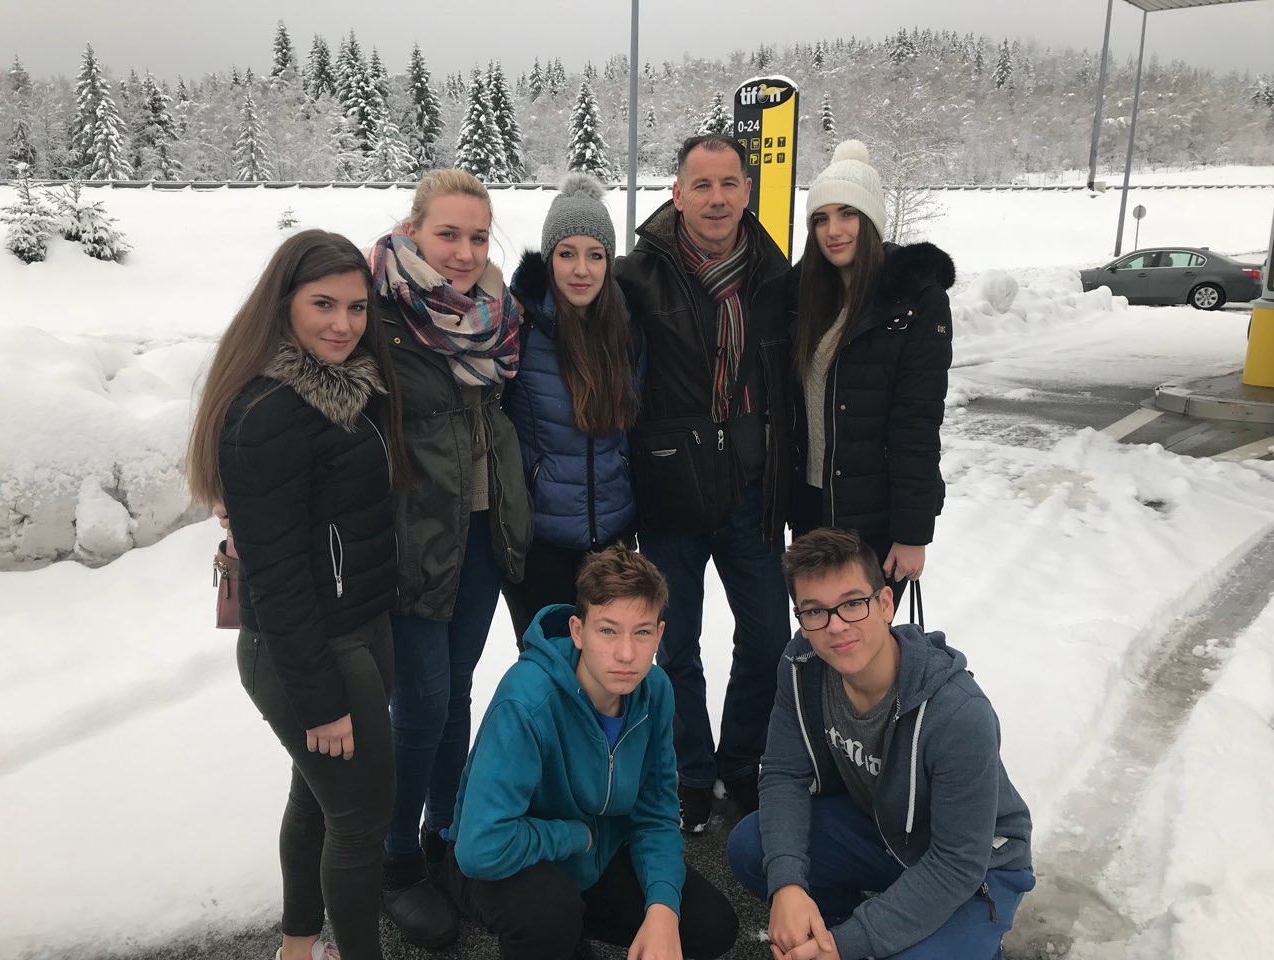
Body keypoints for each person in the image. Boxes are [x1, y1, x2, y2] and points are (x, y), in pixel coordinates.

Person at [186, 229, 410, 960]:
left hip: (357, 627)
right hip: (312, 650)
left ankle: (297, 946)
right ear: (283, 304)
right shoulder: (269, 413)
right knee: (360, 820)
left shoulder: (347, 390)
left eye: (356, 307)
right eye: (323, 305)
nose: (343, 324)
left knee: (320, 800)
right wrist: (319, 698)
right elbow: (277, 575)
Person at [726, 527, 1035, 960]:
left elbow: (956, 863)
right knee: (752, 847)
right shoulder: (802, 667)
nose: (836, 626)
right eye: (814, 611)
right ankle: (836, 926)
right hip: (884, 831)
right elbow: (783, 774)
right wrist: (788, 885)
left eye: (853, 603)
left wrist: (848, 945)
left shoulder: (959, 712)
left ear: (886, 604)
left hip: (978, 866)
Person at [366, 169, 534, 949]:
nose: (464, 253)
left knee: (456, 690)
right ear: (413, 231)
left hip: (479, 534)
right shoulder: (378, 314)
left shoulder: (499, 314)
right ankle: (395, 859)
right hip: (411, 539)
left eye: (477, 236)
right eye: (447, 235)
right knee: (422, 700)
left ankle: (444, 837)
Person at [615, 133, 792, 834]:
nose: (716, 199)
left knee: (769, 637)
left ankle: (743, 762)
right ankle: (689, 771)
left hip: (750, 490)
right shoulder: (637, 278)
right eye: (702, 185)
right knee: (674, 644)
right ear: (677, 194)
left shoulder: (775, 276)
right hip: (672, 494)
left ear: (747, 191)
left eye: (728, 184)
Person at [442, 545, 740, 960]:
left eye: (641, 632)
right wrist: (573, 836)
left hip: (595, 855)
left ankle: (571, 930)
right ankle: (559, 932)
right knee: (549, 915)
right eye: (608, 631)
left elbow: (655, 814)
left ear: (659, 634)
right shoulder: (527, 700)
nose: (626, 654)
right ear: (578, 631)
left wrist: (662, 909)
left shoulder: (654, 691)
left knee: (711, 924)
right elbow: (480, 846)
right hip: (503, 861)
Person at [788, 139, 954, 604]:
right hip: (811, 508)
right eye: (821, 218)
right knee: (818, 629)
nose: (833, 230)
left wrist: (912, 532)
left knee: (863, 638)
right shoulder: (803, 295)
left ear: (872, 219)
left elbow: (917, 422)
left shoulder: (914, 299)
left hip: (875, 517)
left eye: (848, 214)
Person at [501, 172, 642, 644]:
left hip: (614, 541)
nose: (581, 269)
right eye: (567, 254)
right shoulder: (520, 326)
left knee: (611, 669)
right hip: (540, 545)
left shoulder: (627, 328)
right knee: (550, 668)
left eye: (595, 255)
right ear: (548, 258)